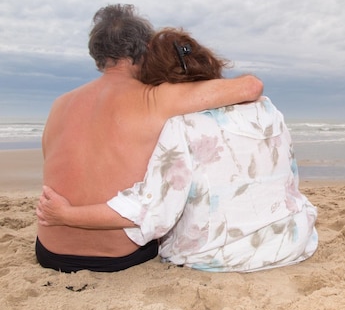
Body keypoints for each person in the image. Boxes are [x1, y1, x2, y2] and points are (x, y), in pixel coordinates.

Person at [37, 28, 318, 273]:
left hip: (53, 249)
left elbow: (153, 213)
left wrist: (65, 215)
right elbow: (251, 87)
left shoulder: (60, 104)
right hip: (289, 238)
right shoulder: (268, 109)